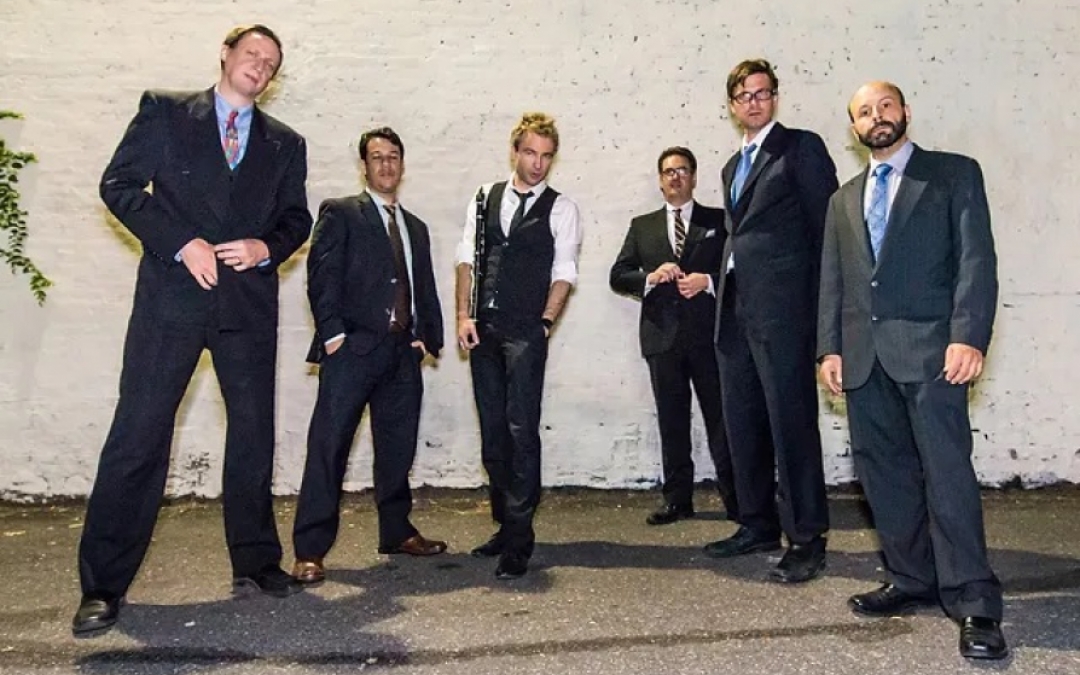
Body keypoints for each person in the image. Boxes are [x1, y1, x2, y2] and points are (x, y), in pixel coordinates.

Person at [75, 24, 312, 637]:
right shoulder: (165, 111)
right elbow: (118, 186)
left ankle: (256, 562)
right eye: (252, 53)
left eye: (271, 62)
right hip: (171, 302)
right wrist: (183, 242)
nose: (260, 65)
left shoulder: (286, 143)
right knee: (139, 436)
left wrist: (266, 247)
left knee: (253, 435)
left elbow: (296, 218)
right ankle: (102, 586)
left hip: (247, 307)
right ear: (226, 55)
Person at [818, 81, 1006, 660]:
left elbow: (976, 259)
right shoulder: (843, 200)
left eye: (885, 106)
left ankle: (974, 601)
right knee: (884, 477)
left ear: (905, 112)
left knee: (947, 477)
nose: (876, 117)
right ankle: (910, 577)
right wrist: (829, 349)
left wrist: (967, 336)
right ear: (854, 128)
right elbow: (834, 281)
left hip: (933, 355)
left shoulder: (952, 175)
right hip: (863, 359)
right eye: (864, 112)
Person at [291, 127, 446, 586]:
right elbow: (321, 277)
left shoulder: (415, 227)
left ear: (402, 164)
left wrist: (426, 338)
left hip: (402, 353)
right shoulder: (341, 213)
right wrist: (334, 336)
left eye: (393, 156)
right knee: (329, 448)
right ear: (364, 166)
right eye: (377, 157)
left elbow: (423, 286)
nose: (386, 164)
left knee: (397, 449)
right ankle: (310, 549)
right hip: (352, 352)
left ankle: (397, 532)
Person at [706, 58, 838, 584]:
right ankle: (757, 523)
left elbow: (827, 231)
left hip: (785, 312)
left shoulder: (800, 148)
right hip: (735, 310)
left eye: (762, 93)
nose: (754, 102)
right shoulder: (730, 167)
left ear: (775, 98)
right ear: (732, 106)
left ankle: (807, 538)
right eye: (744, 95)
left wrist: (824, 317)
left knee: (791, 423)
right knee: (743, 422)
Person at [455, 112, 582, 580]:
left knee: (521, 431)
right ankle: (504, 525)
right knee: (493, 435)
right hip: (483, 328)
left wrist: (545, 322)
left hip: (526, 330)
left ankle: (519, 540)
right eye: (530, 153)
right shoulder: (484, 197)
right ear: (515, 151)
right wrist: (463, 315)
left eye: (546, 156)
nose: (538, 163)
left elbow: (564, 272)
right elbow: (466, 259)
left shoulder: (562, 208)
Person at [609, 147, 738, 526]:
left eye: (682, 170)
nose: (675, 177)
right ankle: (678, 500)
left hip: (709, 338)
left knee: (722, 419)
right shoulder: (642, 226)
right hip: (662, 339)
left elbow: (739, 270)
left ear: (694, 177)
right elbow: (618, 275)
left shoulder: (718, 220)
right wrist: (650, 278)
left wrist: (708, 281)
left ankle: (738, 499)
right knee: (672, 422)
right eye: (668, 171)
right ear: (660, 180)